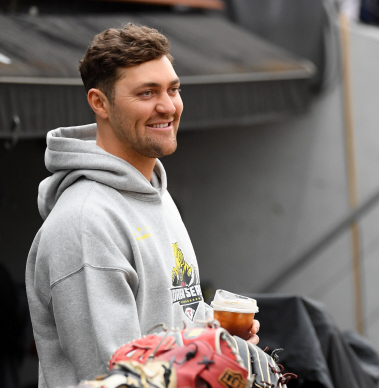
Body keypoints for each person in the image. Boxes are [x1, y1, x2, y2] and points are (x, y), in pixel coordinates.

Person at [25, 24, 259, 388]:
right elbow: (117, 379)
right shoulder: (86, 223)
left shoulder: (156, 194)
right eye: (147, 93)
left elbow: (175, 325)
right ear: (99, 103)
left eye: (173, 89)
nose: (167, 106)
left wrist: (221, 341)